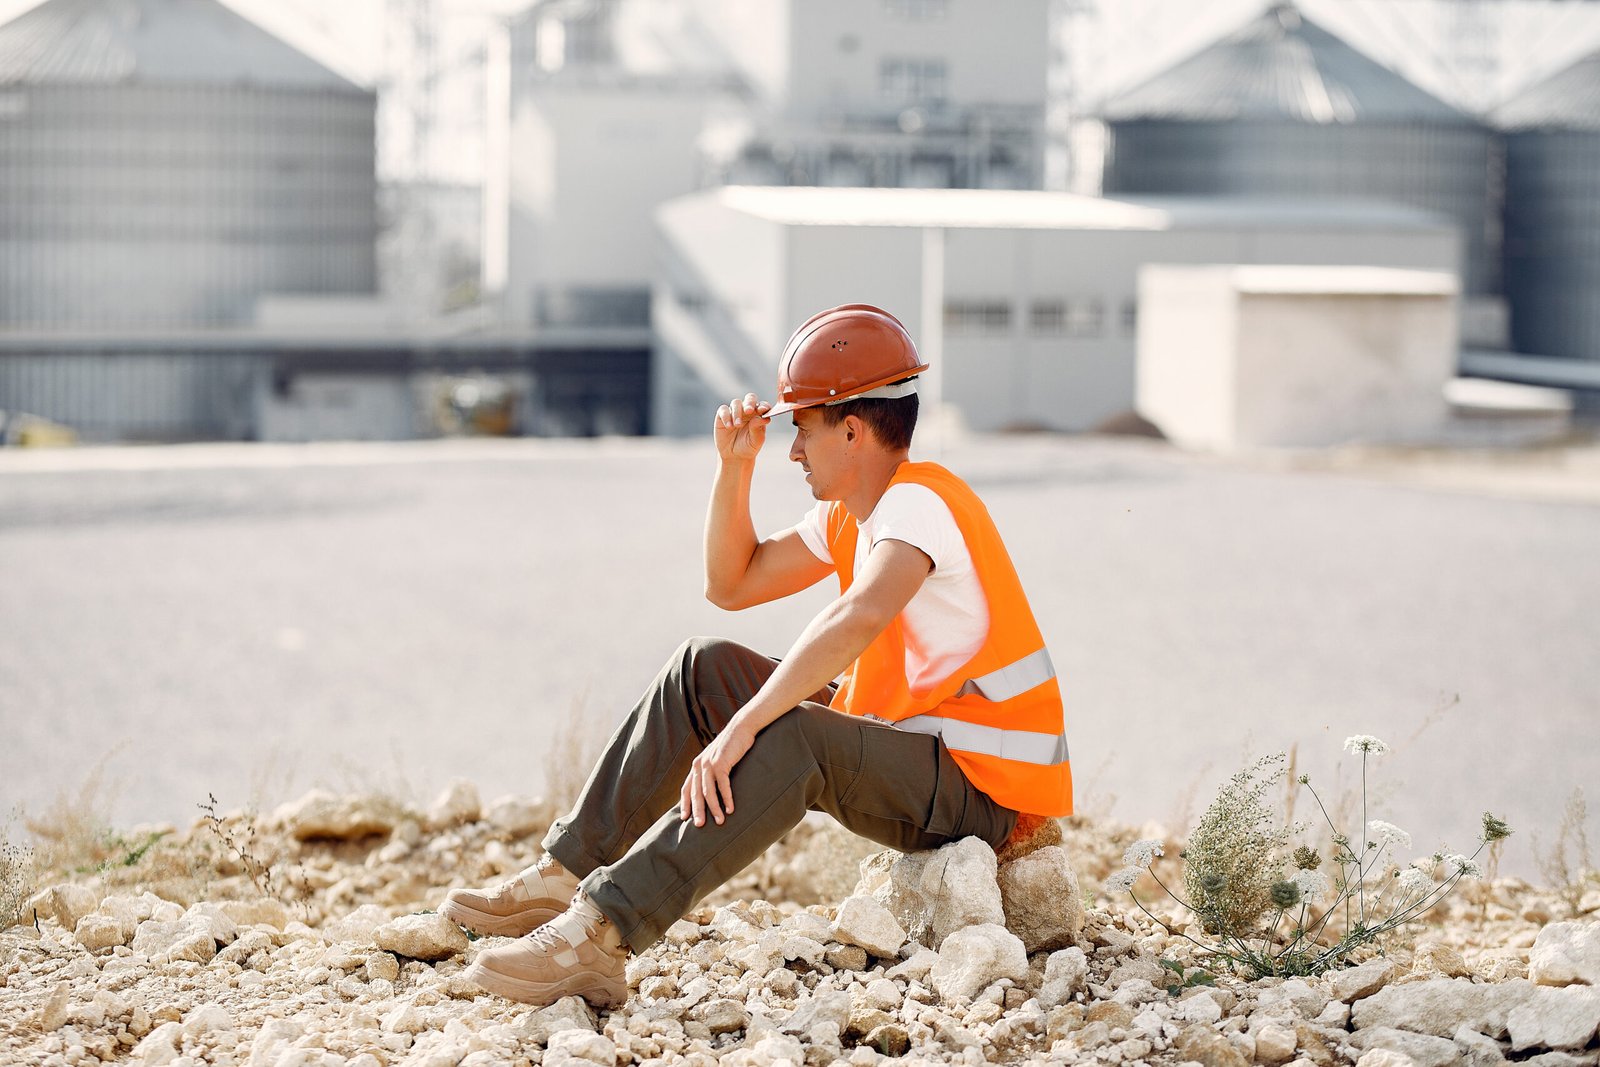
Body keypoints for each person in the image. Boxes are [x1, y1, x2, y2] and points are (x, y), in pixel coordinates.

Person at [440, 304, 1072, 1007]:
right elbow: (730, 583)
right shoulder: (850, 516)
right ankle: (563, 876)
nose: (794, 450)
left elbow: (857, 616)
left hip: (981, 790)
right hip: (913, 748)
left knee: (791, 733)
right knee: (701, 669)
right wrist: (732, 469)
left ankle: (599, 935)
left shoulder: (920, 504)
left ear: (853, 430)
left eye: (803, 429)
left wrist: (745, 726)